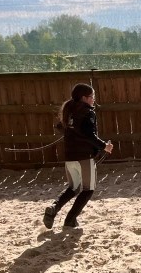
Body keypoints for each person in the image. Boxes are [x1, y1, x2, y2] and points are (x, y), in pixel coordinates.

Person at [42, 83, 113, 230]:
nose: (93, 99)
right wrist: (104, 146)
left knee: (73, 188)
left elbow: (60, 127)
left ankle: (54, 208)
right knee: (88, 189)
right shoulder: (87, 113)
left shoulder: (69, 111)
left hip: (70, 157)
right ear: (84, 98)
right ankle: (70, 220)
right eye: (92, 96)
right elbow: (89, 135)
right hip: (84, 157)